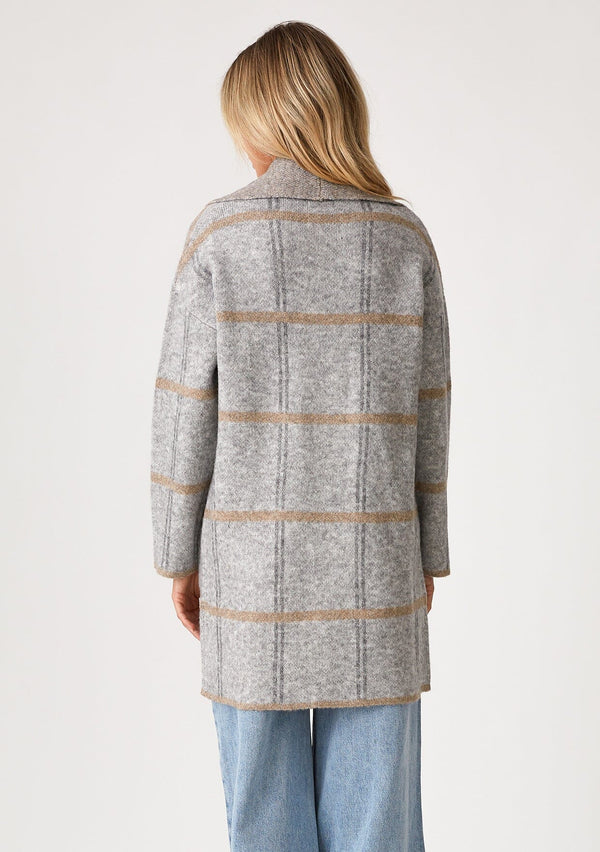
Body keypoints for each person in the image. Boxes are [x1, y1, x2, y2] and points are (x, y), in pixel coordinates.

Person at [150, 20, 451, 852]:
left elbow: (182, 412)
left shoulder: (222, 235)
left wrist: (177, 557)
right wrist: (427, 553)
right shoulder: (402, 238)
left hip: (250, 571)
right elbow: (431, 412)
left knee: (263, 823)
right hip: (377, 564)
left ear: (261, 120)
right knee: (378, 829)